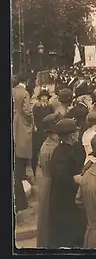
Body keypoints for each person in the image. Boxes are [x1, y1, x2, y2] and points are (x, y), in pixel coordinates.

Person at [48, 118, 87, 248]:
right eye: (76, 132)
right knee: (68, 234)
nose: (78, 134)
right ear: (71, 135)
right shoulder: (60, 153)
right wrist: (74, 179)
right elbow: (59, 176)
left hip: (71, 197)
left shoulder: (72, 147)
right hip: (64, 200)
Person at [36, 113, 61, 248]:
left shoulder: (49, 144)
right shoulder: (51, 148)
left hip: (47, 181)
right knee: (48, 216)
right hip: (50, 183)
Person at [13, 72, 33, 212]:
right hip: (20, 123)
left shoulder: (13, 91)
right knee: (21, 149)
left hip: (13, 120)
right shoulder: (24, 92)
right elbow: (27, 111)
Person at [32, 88, 54, 177]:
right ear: (40, 97)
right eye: (43, 96)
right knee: (39, 144)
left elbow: (52, 116)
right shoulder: (36, 107)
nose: (44, 98)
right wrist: (35, 126)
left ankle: (44, 160)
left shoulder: (49, 106)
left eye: (46, 96)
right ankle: (39, 160)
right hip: (40, 128)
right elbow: (34, 117)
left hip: (47, 128)